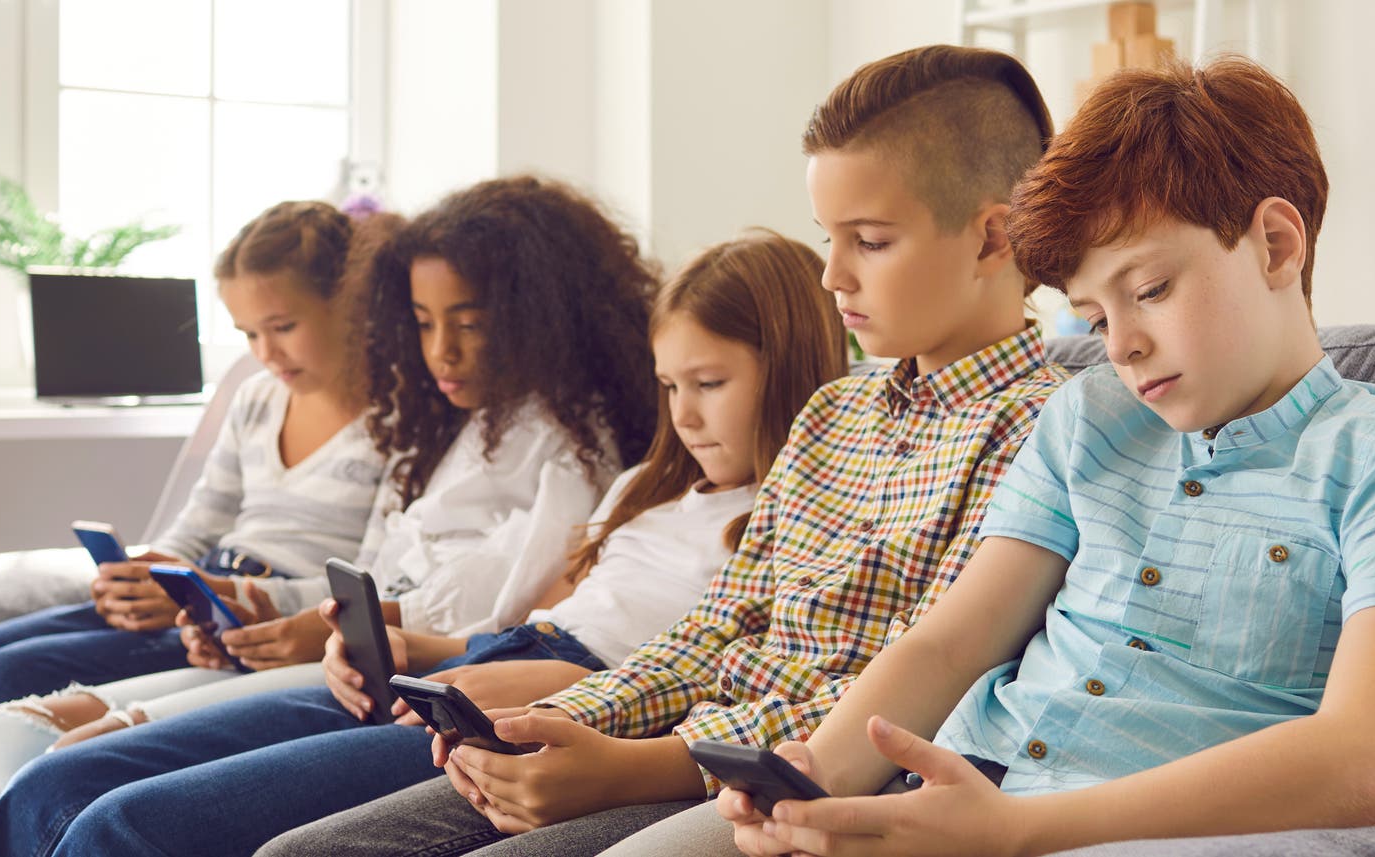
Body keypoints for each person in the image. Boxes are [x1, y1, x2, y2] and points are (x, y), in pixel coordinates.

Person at [259, 44, 1071, 857]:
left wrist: (637, 764)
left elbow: (900, 689)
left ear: (993, 238)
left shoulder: (1043, 427)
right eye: (826, 238)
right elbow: (715, 629)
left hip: (776, 775)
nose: (833, 277)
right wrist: (557, 720)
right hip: (687, 734)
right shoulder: (833, 412)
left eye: (869, 241)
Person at [705, 57, 1375, 857]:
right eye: (1093, 316)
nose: (1124, 346)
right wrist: (819, 772)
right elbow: (952, 641)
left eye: (1149, 291)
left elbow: (1374, 761)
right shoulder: (1087, 414)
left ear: (1276, 246)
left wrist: (1015, 831)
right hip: (957, 783)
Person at [0, 229, 848, 857]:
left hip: (539, 700)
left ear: (794, 364)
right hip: (464, 671)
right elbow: (543, 615)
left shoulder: (800, 515)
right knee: (54, 782)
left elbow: (687, 672)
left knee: (118, 822)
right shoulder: (648, 487)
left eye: (710, 383)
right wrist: (405, 645)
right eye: (669, 385)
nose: (683, 414)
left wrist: (508, 679)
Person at [0, 200, 398, 857]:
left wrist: (209, 588)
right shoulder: (257, 398)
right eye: (248, 333)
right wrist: (149, 570)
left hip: (253, 611)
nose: (264, 352)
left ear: (351, 301)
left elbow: (376, 578)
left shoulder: (396, 416)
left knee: (3, 673)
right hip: (193, 587)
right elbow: (200, 522)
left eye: (283, 326)